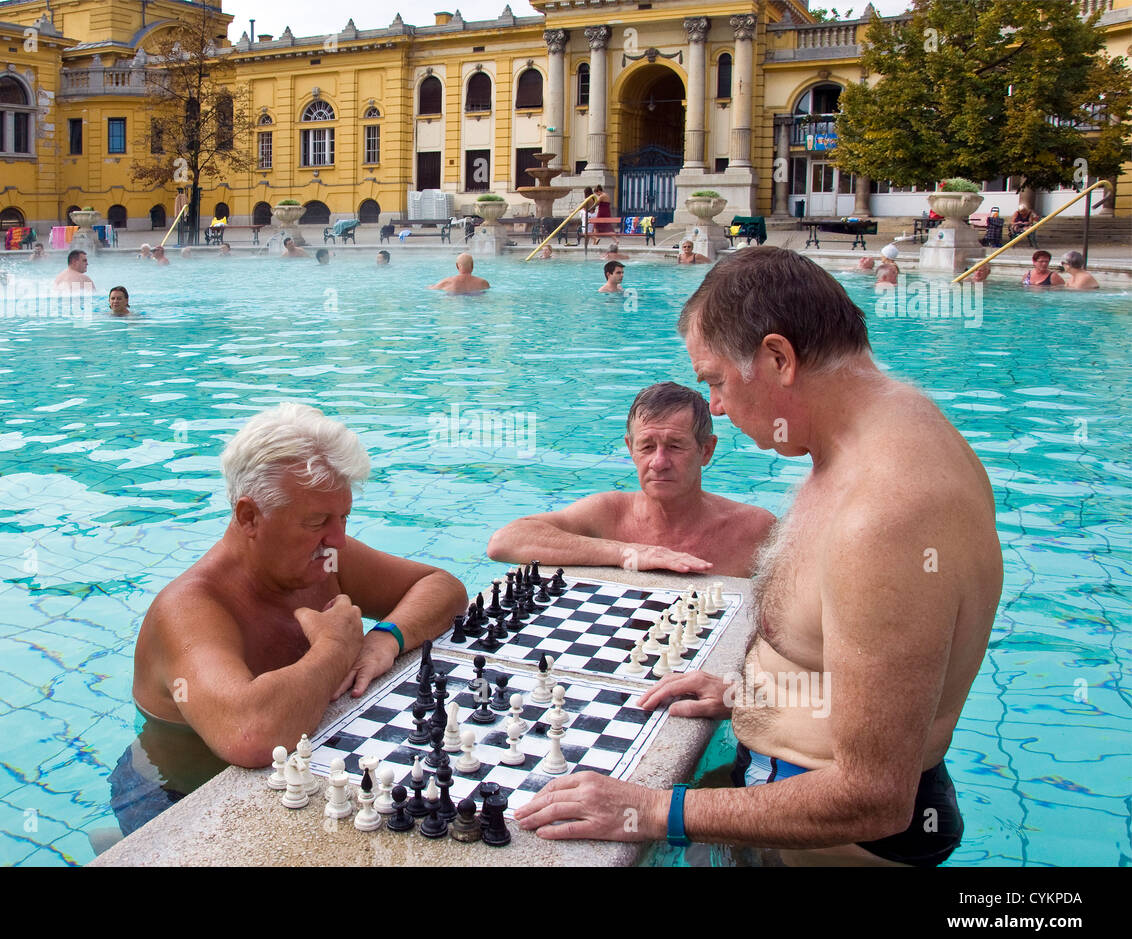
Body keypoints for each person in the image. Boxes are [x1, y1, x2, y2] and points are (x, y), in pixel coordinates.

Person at [515, 246, 1003, 868]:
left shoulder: (888, 510)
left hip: (840, 847)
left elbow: (875, 796)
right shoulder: (879, 436)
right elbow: (848, 659)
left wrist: (652, 810)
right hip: (786, 790)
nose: (714, 405)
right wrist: (754, 694)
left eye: (715, 380)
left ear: (777, 357)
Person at [117, 403, 467, 834]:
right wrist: (337, 647)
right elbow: (249, 736)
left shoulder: (325, 556)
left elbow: (443, 587)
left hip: (298, 779)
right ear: (249, 517)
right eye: (318, 521)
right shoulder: (188, 609)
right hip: (172, 796)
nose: (337, 538)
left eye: (343, 518)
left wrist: (385, 639)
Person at [487, 383, 775, 576]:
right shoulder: (607, 514)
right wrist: (625, 552)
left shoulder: (755, 530)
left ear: (706, 450)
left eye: (675, 446)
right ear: (630, 450)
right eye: (647, 447)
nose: (659, 463)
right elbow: (504, 542)